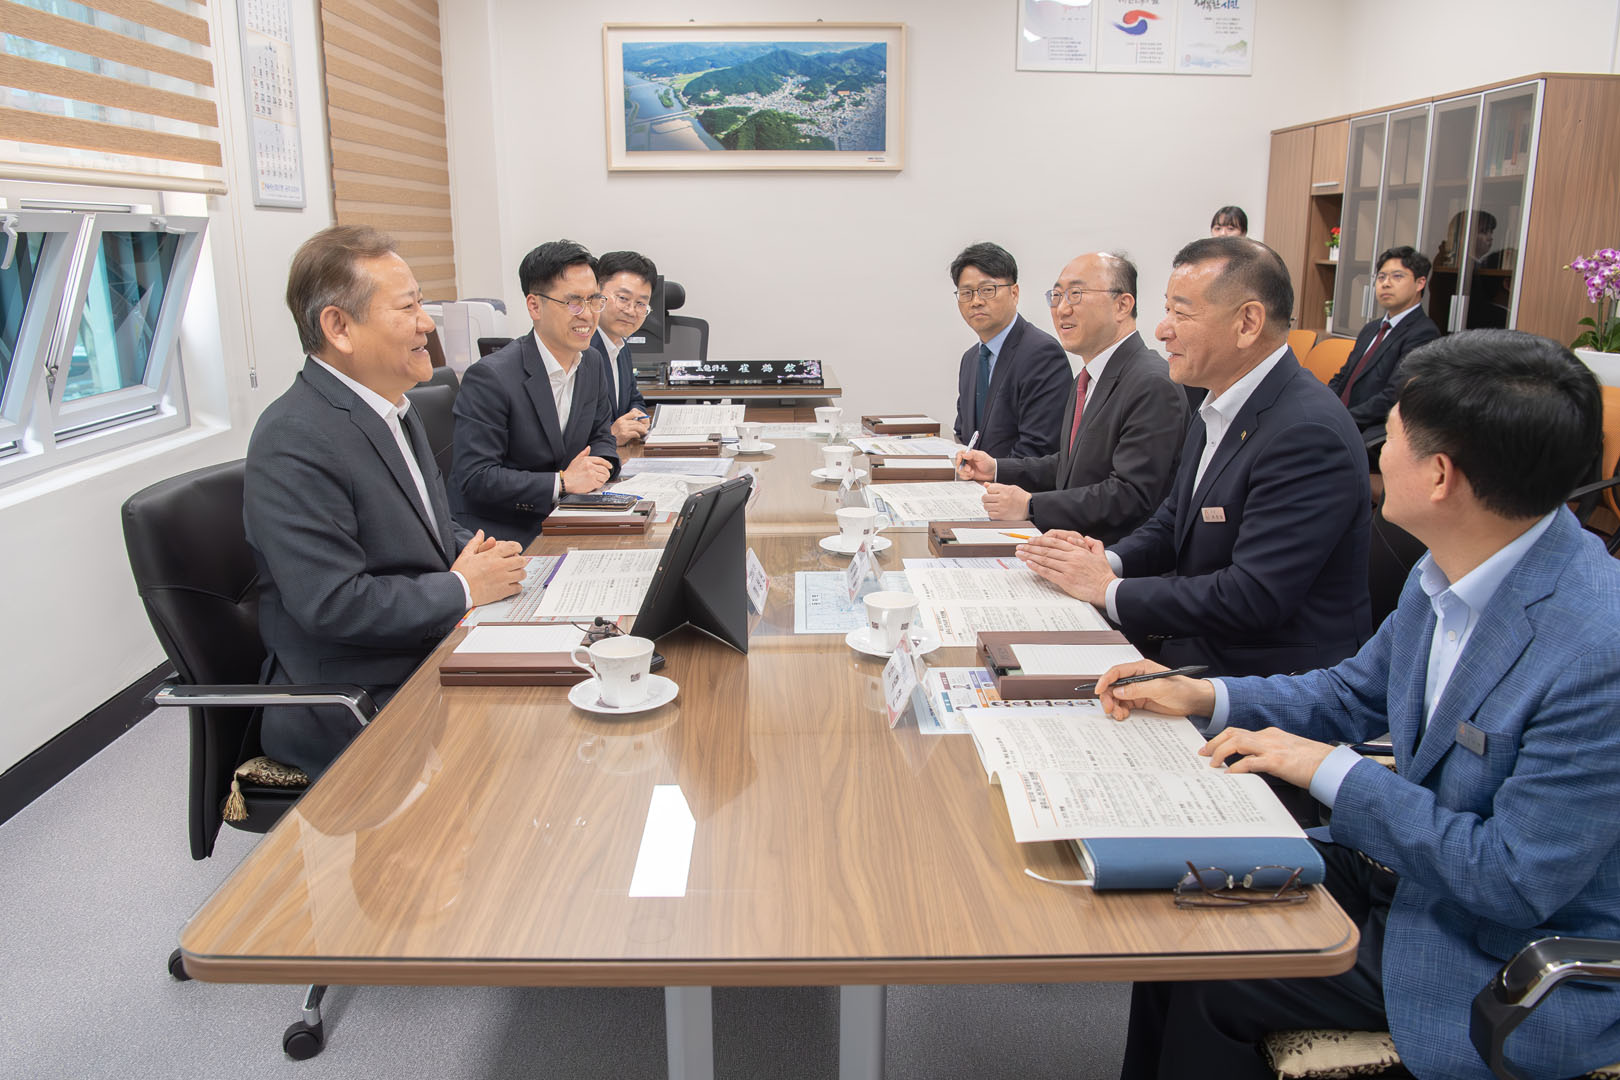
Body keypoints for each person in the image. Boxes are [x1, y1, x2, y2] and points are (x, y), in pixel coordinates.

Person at [1100, 330, 1620, 1080]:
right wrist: (1205, 694)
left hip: (1494, 950)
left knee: (1214, 970)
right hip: (1410, 875)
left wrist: (1331, 771)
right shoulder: (1452, 567)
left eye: (1393, 436)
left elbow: (1512, 877)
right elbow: (1352, 692)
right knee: (1175, 903)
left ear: (1439, 476)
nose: (1374, 453)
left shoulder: (1595, 649)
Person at [243, 225, 528, 776]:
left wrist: (489, 555)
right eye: (408, 307)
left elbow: (428, 527)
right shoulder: (294, 437)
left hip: (427, 649)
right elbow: (333, 603)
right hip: (357, 698)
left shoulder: (393, 405)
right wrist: (464, 586)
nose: (427, 323)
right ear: (339, 327)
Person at [1017, 237, 1371, 678]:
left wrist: (1108, 590)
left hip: (1263, 676)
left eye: (1181, 314)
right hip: (1198, 643)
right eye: (1166, 310)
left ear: (1247, 323)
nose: (1162, 330)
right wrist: (1106, 560)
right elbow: (1173, 521)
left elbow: (1252, 597)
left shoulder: (1305, 432)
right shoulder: (1218, 402)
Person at [953, 252, 1186, 541]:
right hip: (1068, 545)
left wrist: (1031, 505)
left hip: (1109, 555)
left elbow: (1130, 495)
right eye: (1057, 296)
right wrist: (997, 468)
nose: (1062, 309)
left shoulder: (1151, 382)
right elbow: (1069, 466)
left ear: (1122, 305)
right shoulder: (1088, 378)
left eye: (1076, 295)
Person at [449, 239, 620, 545]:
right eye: (573, 302)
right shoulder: (490, 377)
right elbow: (476, 477)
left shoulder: (591, 362)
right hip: (504, 532)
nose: (587, 314)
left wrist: (597, 469)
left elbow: (601, 435)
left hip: (569, 516)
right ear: (534, 306)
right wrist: (563, 482)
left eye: (594, 300)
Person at [949, 242, 1072, 458]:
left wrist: (989, 472)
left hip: (1017, 480)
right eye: (966, 293)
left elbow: (1040, 449)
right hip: (972, 479)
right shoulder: (970, 359)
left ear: (1014, 293)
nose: (976, 301)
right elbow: (964, 434)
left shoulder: (1042, 354)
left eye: (987, 290)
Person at [1327, 245, 1441, 440]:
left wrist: (1341, 421)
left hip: (1369, 431)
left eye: (1397, 276)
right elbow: (1343, 377)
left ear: (1420, 283)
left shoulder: (1424, 333)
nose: (1386, 284)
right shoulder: (1371, 329)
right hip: (1339, 420)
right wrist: (1322, 407)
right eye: (1381, 277)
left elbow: (1393, 396)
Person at [591, 249, 656, 445]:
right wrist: (610, 435)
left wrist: (638, 416)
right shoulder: (581, 349)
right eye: (623, 298)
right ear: (596, 293)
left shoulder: (621, 346)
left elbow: (634, 398)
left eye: (641, 303)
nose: (631, 311)